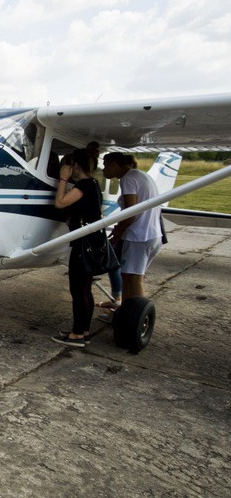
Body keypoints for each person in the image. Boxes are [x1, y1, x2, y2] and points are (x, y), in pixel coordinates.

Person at [51, 149, 103, 348]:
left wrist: (63, 179)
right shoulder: (94, 184)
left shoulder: (84, 184)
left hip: (83, 243)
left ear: (76, 166)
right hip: (90, 242)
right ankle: (84, 330)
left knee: (78, 290)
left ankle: (77, 335)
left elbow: (60, 203)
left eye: (68, 165)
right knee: (85, 289)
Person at [102, 152, 162, 299]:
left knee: (134, 279)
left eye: (105, 165)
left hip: (138, 237)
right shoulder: (140, 175)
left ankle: (136, 312)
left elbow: (131, 212)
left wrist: (118, 231)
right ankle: (126, 309)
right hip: (152, 234)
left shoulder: (128, 179)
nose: (104, 169)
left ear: (114, 164)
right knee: (128, 277)